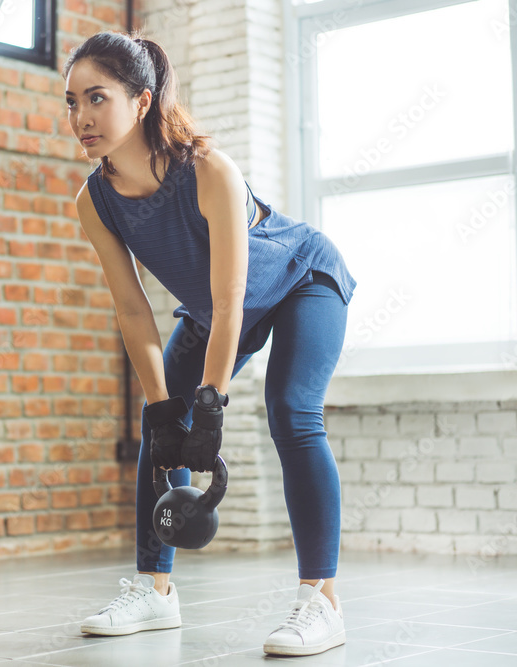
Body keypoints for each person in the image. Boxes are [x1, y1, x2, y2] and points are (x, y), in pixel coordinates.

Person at [62, 30, 357, 657]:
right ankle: (155, 592)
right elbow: (132, 310)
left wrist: (211, 404)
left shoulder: (208, 170)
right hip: (210, 311)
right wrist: (168, 409)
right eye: (71, 103)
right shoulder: (95, 202)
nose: (81, 117)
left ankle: (320, 600)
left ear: (141, 101)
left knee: (292, 413)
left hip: (299, 280)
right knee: (157, 425)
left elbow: (233, 300)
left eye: (96, 98)